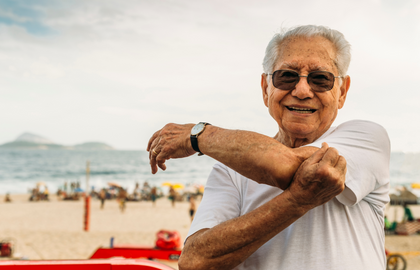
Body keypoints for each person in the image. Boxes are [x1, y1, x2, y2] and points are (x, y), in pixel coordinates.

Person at [146, 25, 390, 269]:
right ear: (266, 88)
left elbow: (289, 165)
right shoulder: (229, 171)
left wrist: (198, 135)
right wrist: (296, 202)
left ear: (342, 92)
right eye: (287, 76)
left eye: (320, 79)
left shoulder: (367, 138)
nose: (302, 90)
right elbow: (195, 261)